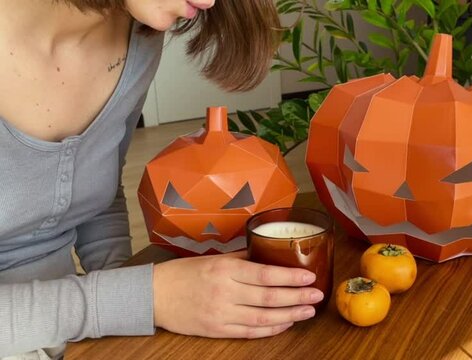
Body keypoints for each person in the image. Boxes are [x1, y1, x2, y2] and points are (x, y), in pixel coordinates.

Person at [0, 1, 324, 358]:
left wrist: (135, 310)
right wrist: (144, 296)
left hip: (63, 334)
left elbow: (99, 192)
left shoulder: (137, 40)